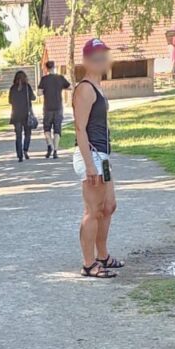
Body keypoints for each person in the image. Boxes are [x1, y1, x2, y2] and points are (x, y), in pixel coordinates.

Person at [72, 37, 122, 278]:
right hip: (91, 156)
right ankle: (88, 263)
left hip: (102, 156)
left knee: (109, 206)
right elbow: (80, 129)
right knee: (93, 209)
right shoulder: (84, 89)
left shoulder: (97, 87)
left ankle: (102, 255)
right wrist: (90, 165)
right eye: (96, 56)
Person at [38, 60, 70, 158]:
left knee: (47, 129)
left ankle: (50, 145)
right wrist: (60, 88)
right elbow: (70, 87)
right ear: (54, 67)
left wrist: (46, 91)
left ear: (46, 68)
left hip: (47, 108)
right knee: (57, 129)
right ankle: (55, 151)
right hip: (58, 107)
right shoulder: (60, 78)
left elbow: (39, 93)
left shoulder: (44, 79)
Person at [8, 69, 35, 161]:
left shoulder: (12, 88)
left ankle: (20, 155)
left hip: (16, 115)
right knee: (28, 134)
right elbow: (33, 98)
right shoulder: (27, 87)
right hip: (26, 115)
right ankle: (25, 150)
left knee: (18, 136)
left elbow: (10, 101)